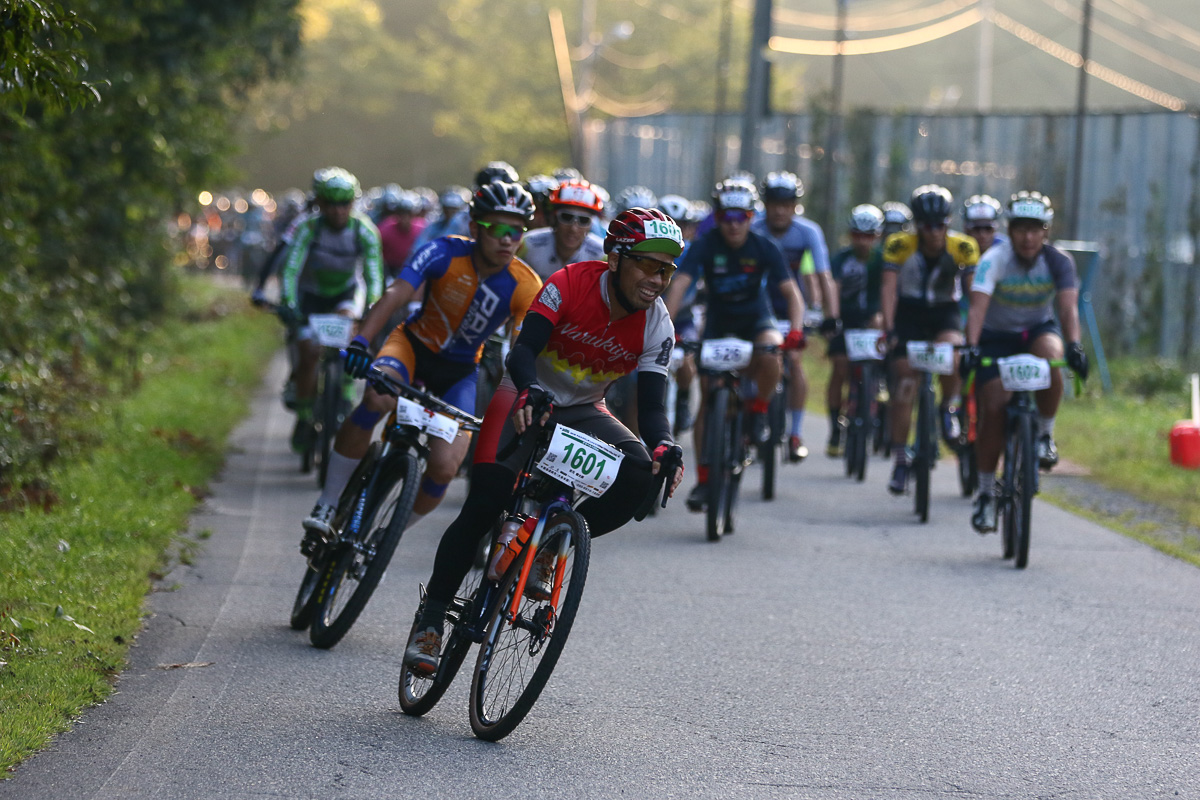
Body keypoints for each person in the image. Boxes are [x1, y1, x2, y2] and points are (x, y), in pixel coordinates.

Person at [401, 207, 687, 673]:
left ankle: (553, 544)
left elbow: (653, 410)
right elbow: (524, 351)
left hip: (584, 409)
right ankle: (432, 618)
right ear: (614, 259)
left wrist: (664, 445)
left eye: (666, 269)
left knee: (639, 472)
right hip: (527, 391)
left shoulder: (658, 324)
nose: (658, 279)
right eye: (648, 265)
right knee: (485, 502)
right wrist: (531, 389)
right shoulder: (570, 283)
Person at [299, 181, 543, 546]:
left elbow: (519, 349)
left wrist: (521, 397)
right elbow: (397, 293)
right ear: (475, 228)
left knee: (445, 467)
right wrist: (362, 341)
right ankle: (328, 503)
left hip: (459, 373)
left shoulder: (525, 284)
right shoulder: (443, 251)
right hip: (411, 349)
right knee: (376, 400)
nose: (508, 239)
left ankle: (387, 536)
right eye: (498, 228)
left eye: (517, 231)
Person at [663, 177, 806, 511]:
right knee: (710, 398)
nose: (733, 224)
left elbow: (792, 294)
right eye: (726, 217)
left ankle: (758, 412)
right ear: (717, 217)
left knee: (773, 351)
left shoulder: (764, 246)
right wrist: (666, 327)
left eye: (740, 217)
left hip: (757, 320)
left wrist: (796, 330)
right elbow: (680, 284)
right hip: (719, 324)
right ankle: (703, 479)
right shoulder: (705, 244)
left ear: (750, 217)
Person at [959, 191, 1087, 532]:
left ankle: (1045, 435)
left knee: (1052, 358)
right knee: (995, 409)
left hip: (1035, 332)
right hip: (995, 337)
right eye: (1020, 229)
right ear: (1010, 230)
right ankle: (986, 494)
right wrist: (971, 346)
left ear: (1045, 231)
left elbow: (1067, 308)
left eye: (1035, 229)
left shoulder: (1059, 261)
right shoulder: (994, 259)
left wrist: (1074, 345)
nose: (1028, 237)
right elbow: (977, 307)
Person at [880, 184, 979, 495]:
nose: (934, 232)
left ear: (948, 223)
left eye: (940, 225)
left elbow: (975, 294)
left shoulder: (963, 247)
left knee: (954, 355)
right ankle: (899, 459)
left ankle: (948, 407)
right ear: (917, 225)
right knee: (905, 386)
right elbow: (888, 290)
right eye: (926, 225)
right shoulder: (899, 245)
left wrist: (975, 332)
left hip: (943, 313)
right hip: (909, 314)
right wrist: (890, 328)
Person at [279, 167, 384, 453]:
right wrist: (289, 303)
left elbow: (374, 275)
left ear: (353, 203)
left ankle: (346, 396)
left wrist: (372, 308)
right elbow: (290, 270)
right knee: (309, 352)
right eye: (331, 204)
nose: (338, 211)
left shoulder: (364, 230)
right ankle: (303, 417)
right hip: (311, 295)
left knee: (351, 337)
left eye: (345, 204)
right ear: (320, 204)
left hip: (346, 295)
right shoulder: (307, 228)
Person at [752, 171, 836, 462]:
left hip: (791, 306)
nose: (779, 210)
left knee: (796, 360)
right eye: (773, 203)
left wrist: (831, 316)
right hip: (758, 306)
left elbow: (824, 276)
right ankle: (747, 419)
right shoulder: (753, 228)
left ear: (795, 205)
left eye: (786, 204)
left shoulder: (808, 231)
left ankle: (796, 433)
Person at [825, 204, 886, 456]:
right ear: (851, 235)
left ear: (878, 236)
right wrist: (833, 317)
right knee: (840, 367)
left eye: (869, 235)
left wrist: (882, 316)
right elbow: (834, 289)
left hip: (872, 318)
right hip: (846, 319)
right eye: (858, 235)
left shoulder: (883, 260)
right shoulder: (841, 258)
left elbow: (888, 291)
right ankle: (835, 427)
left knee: (882, 336)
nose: (863, 241)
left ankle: (878, 382)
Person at [516, 178, 606, 280]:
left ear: (591, 224)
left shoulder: (602, 255)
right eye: (566, 217)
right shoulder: (527, 244)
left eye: (583, 220)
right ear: (553, 218)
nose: (573, 229)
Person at [377, 187, 426, 280]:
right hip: (388, 270)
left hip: (413, 270)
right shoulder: (385, 227)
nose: (405, 218)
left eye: (409, 214)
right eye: (401, 213)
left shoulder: (423, 229)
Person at [411, 186, 470, 252]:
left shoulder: (466, 228)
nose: (449, 213)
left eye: (453, 209)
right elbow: (418, 247)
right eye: (447, 209)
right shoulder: (433, 226)